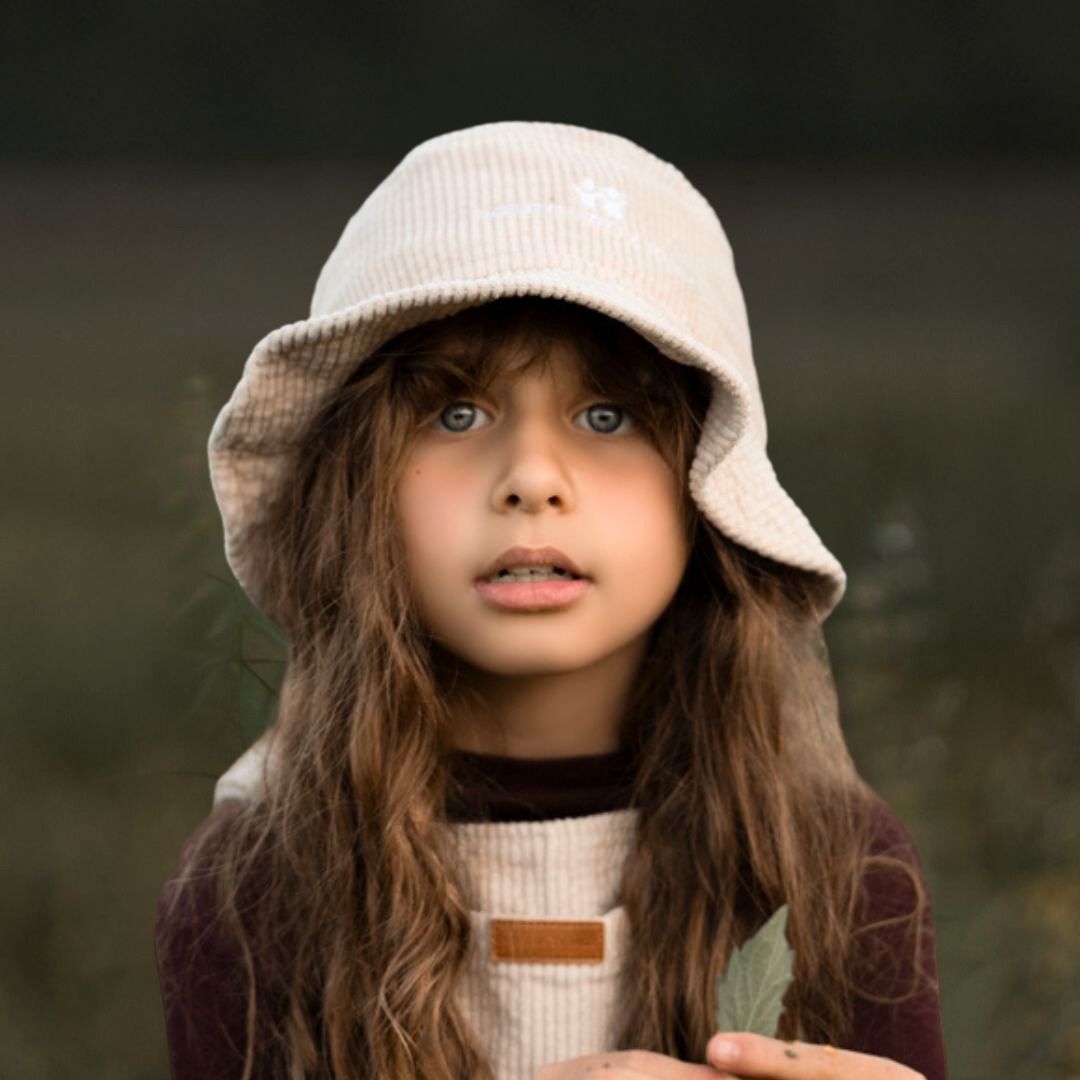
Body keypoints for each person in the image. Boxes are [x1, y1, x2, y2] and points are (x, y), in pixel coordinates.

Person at [155, 121, 948, 1080]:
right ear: (355, 492)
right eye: (456, 414)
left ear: (708, 488)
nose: (532, 477)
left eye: (607, 415)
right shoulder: (254, 885)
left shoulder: (838, 868)